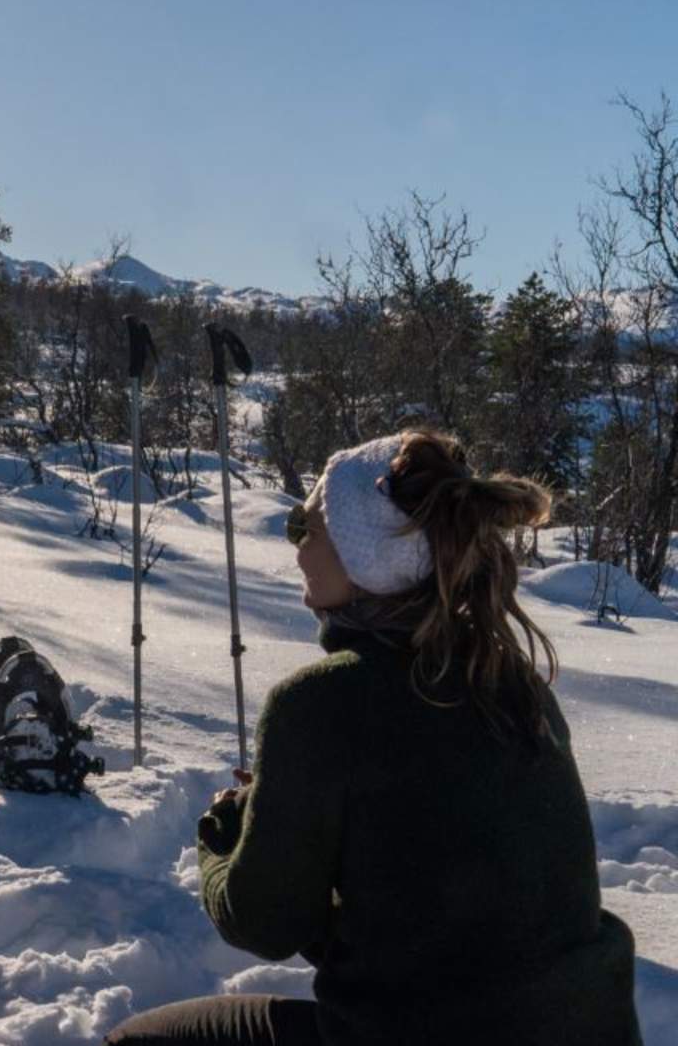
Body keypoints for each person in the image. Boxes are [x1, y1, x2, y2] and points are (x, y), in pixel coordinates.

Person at [106, 431, 641, 1045]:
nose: (297, 548)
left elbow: (265, 924)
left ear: (364, 559)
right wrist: (299, 814)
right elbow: (427, 920)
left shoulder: (320, 706)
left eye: (302, 527)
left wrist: (224, 834)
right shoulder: (515, 689)